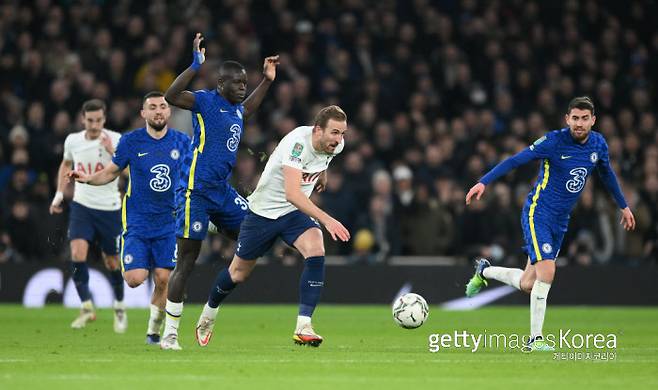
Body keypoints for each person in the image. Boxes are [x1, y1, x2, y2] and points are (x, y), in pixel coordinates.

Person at [464, 96, 636, 351]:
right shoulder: (554, 141)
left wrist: (623, 205)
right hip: (538, 212)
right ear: (567, 119)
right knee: (548, 272)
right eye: (575, 118)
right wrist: (484, 181)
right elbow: (516, 160)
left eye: (584, 118)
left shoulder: (598, 144)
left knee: (528, 284)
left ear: (593, 120)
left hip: (561, 220)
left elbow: (607, 173)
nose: (579, 123)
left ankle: (484, 271)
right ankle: (535, 340)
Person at [194, 105, 350, 348]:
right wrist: (327, 219)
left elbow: (323, 160)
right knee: (238, 274)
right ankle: (209, 312)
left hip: (293, 215)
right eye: (335, 133)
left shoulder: (335, 146)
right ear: (318, 130)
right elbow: (292, 193)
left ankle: (303, 326)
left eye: (342, 133)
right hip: (263, 213)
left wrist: (323, 173)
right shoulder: (297, 144)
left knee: (316, 248)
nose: (339, 139)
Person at [161, 32, 279, 349]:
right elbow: (171, 95)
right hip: (194, 191)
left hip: (221, 192)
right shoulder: (205, 101)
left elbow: (249, 108)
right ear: (221, 84)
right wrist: (194, 64)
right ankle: (170, 333)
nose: (243, 88)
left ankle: (212, 229)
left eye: (245, 83)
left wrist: (266, 81)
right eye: (238, 83)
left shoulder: (237, 109)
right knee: (187, 260)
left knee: (256, 236)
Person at [69, 92, 190, 344]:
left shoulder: (182, 142)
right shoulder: (131, 141)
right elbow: (111, 172)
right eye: (153, 107)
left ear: (169, 112)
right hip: (137, 220)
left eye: (163, 107)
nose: (158, 111)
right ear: (143, 113)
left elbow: (192, 177)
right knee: (134, 279)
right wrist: (88, 179)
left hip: (169, 221)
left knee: (163, 278)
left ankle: (154, 331)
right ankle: (151, 324)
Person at [49, 99, 126, 332]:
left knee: (111, 261)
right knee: (76, 252)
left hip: (110, 207)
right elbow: (65, 165)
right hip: (82, 206)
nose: (94, 125)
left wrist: (112, 152)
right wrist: (59, 194)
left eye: (98, 120)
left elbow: (129, 170)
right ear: (83, 119)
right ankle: (86, 307)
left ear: (105, 119)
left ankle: (120, 306)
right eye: (90, 120)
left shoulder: (116, 139)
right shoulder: (73, 140)